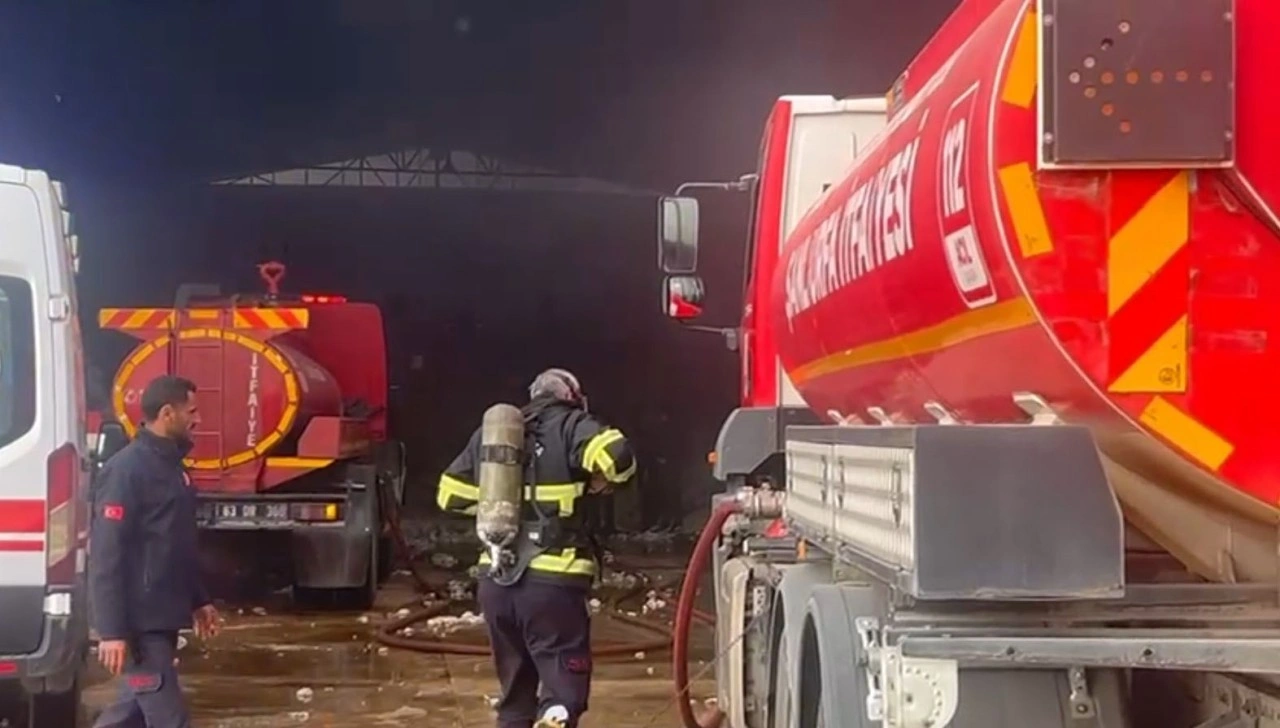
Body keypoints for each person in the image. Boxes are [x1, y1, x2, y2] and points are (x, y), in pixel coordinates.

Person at [437, 368, 637, 728]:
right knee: (563, 692)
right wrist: (597, 480)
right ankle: (556, 715)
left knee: (515, 699)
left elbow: (449, 495)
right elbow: (618, 457)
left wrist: (504, 508)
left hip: (497, 582)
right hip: (553, 583)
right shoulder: (573, 425)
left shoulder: (492, 435)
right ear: (572, 397)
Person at [89, 375, 221, 728]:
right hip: (141, 624)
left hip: (163, 616)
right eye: (191, 411)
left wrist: (199, 599)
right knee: (169, 719)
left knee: (128, 714)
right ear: (167, 413)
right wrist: (111, 631)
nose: (198, 419)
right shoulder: (126, 471)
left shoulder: (173, 468)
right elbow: (106, 554)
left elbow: (176, 544)